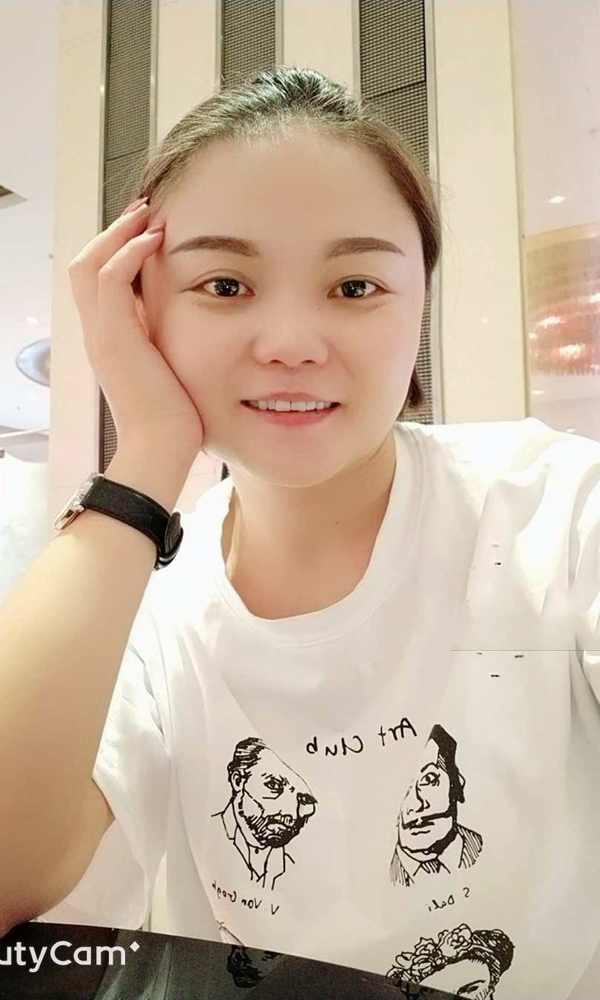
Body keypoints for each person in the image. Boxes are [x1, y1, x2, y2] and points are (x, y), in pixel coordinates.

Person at [0, 66, 599, 1000]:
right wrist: (147, 455)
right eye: (225, 283)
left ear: (418, 304)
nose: (290, 341)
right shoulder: (141, 605)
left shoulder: (557, 510)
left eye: (355, 286)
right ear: (143, 307)